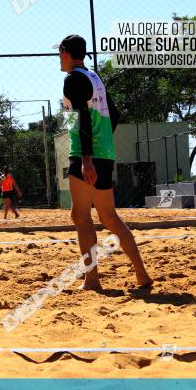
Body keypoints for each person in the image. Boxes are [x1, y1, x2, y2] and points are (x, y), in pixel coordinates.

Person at [59, 34, 152, 290]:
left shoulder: (73, 79)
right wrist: (102, 145)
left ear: (66, 53)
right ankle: (141, 275)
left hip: (84, 154)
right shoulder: (94, 77)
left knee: (80, 215)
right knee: (109, 216)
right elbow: (115, 114)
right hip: (103, 153)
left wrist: (87, 158)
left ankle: (92, 279)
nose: (59, 58)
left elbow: (82, 119)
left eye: (60, 53)